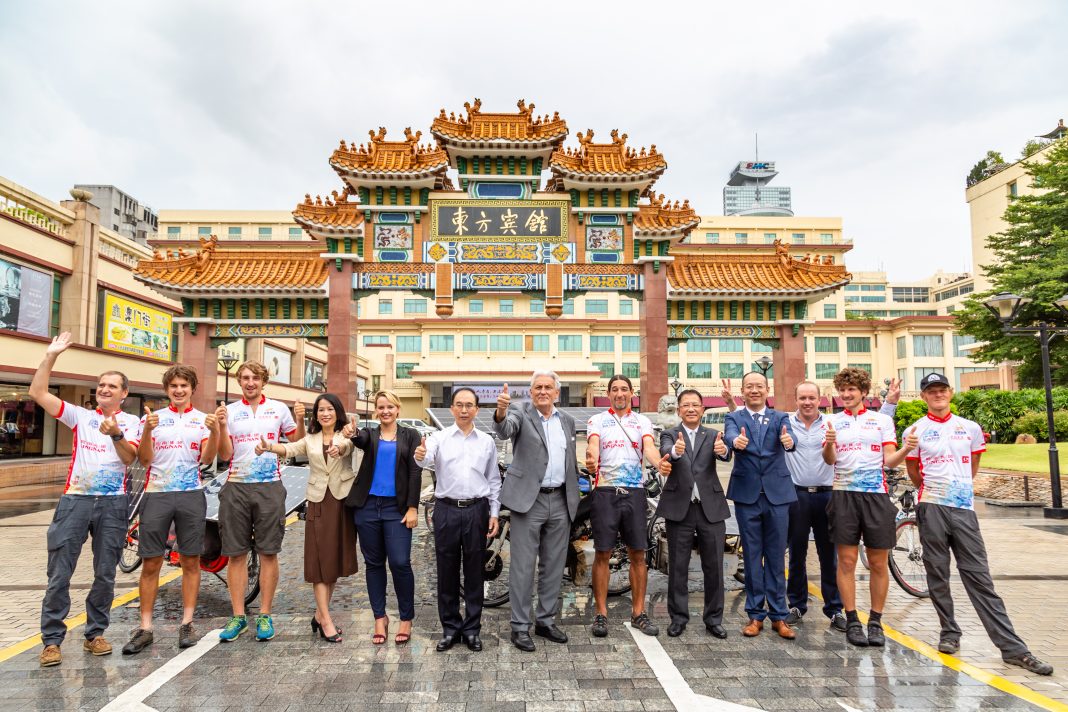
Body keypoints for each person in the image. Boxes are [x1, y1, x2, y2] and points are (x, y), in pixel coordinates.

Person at [905, 373, 1052, 675]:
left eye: (942, 390)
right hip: (931, 507)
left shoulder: (969, 428)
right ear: (924, 397)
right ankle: (949, 631)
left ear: (950, 392)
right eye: (931, 392)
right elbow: (913, 469)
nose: (937, 395)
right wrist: (934, 493)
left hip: (963, 510)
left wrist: (957, 491)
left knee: (979, 577)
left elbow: (972, 466)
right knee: (937, 573)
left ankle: (1012, 648)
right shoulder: (916, 430)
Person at [29, 333, 140, 667]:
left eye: (111, 386)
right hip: (75, 501)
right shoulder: (79, 416)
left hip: (112, 504)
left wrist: (116, 434)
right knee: (60, 572)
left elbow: (130, 458)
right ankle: (51, 640)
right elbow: (37, 393)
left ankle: (95, 633)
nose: (104, 389)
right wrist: (51, 356)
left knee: (105, 572)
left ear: (124, 393)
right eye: (101, 385)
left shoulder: (131, 422)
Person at [784, 379, 900, 631]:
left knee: (832, 556)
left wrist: (889, 404)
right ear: (795, 400)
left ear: (820, 400)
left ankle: (835, 608)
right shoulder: (786, 422)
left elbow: (870, 426)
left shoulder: (831, 421)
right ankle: (796, 604)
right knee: (796, 553)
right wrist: (730, 403)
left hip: (831, 494)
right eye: (802, 398)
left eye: (811, 398)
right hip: (797, 495)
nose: (807, 402)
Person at [124, 365, 221, 655]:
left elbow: (206, 458)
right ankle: (145, 628)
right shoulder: (152, 419)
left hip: (191, 494)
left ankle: (188, 623)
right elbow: (143, 459)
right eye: (173, 386)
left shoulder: (202, 420)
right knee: (151, 561)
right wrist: (147, 432)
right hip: (157, 494)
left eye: (184, 386)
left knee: (191, 560)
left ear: (192, 389)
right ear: (166, 389)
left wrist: (215, 431)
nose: (179, 390)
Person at [823, 367, 915, 648]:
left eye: (852, 389)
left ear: (864, 392)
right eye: (842, 390)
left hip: (875, 495)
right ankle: (852, 620)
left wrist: (907, 449)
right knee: (847, 561)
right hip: (843, 494)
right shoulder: (832, 421)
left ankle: (875, 621)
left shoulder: (881, 421)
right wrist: (828, 445)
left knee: (877, 561)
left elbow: (890, 461)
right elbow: (829, 460)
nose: (846, 394)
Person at [215, 360, 306, 642]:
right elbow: (225, 454)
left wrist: (301, 419)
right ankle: (238, 616)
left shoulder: (278, 409)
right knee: (236, 553)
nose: (249, 382)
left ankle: (265, 614)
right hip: (237, 485)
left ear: (264, 381)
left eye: (255, 377)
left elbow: (295, 444)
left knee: (268, 552)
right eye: (244, 378)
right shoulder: (228, 411)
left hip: (269, 486)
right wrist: (219, 428)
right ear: (239, 382)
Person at [256, 393, 356, 643]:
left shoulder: (347, 435)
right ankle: (326, 619)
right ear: (316, 414)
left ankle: (319, 614)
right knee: (319, 564)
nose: (325, 414)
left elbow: (346, 447)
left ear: (337, 412)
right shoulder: (310, 440)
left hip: (342, 503)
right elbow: (289, 448)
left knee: (332, 563)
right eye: (320, 410)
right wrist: (269, 446)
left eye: (330, 409)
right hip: (318, 503)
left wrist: (339, 445)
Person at [492, 372, 580, 652]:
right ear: (530, 392)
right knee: (522, 566)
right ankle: (519, 626)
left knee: (554, 565)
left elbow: (569, 461)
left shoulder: (566, 420)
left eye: (548, 387)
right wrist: (501, 410)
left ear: (557, 393)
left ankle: (545, 620)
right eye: (537, 387)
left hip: (560, 500)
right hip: (529, 501)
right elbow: (505, 429)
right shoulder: (520, 413)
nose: (543, 391)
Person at [584, 374, 671, 638]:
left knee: (638, 554)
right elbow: (593, 445)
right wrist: (591, 459)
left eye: (624, 389)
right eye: (614, 389)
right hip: (605, 491)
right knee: (603, 553)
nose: (619, 393)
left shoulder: (641, 420)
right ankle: (600, 614)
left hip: (634, 492)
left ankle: (638, 613)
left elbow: (649, 447)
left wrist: (659, 463)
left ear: (632, 393)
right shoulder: (597, 420)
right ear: (609, 394)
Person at [415, 387, 501, 652]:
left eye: (469, 405)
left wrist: (494, 513)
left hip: (477, 510)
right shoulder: (438, 438)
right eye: (459, 405)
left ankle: (473, 629)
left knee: (475, 572)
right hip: (446, 511)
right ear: (451, 408)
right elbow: (424, 459)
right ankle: (450, 628)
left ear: (477, 409)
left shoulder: (486, 441)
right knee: (447, 572)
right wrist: (420, 456)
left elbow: (494, 481)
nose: (464, 410)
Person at [342, 391, 422, 646]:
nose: (385, 411)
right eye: (381, 407)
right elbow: (360, 439)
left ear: (398, 409)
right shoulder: (371, 434)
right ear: (376, 411)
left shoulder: (411, 435)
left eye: (390, 406)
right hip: (367, 507)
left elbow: (414, 472)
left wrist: (412, 507)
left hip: (396, 509)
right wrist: (353, 433)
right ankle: (380, 617)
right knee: (374, 564)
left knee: (400, 562)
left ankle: (406, 618)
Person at [723, 371, 797, 639]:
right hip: (747, 495)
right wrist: (734, 441)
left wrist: (790, 442)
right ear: (742, 391)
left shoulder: (780, 417)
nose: (754, 390)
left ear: (768, 389)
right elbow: (730, 437)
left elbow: (790, 440)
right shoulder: (734, 417)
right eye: (749, 387)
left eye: (759, 386)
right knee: (752, 556)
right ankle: (755, 615)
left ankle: (779, 615)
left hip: (777, 494)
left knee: (777, 556)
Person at [658, 389, 732, 639]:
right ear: (679, 409)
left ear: (702, 409)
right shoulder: (669, 433)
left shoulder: (712, 434)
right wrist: (677, 451)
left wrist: (723, 450)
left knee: (715, 567)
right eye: (685, 405)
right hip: (681, 508)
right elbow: (666, 451)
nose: (690, 409)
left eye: (695, 405)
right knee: (678, 567)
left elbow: (726, 453)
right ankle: (678, 618)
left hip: (710, 508)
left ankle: (714, 619)